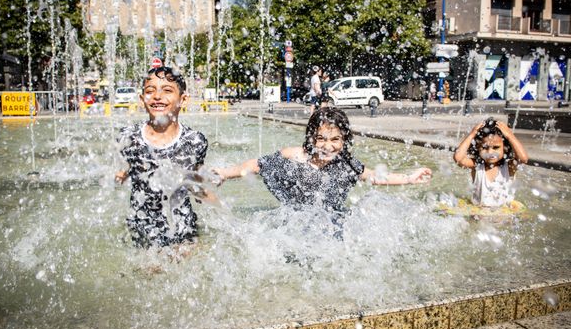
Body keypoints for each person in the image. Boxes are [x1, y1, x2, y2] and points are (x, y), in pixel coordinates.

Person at [213, 107, 432, 222]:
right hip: (295, 223)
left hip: (331, 223)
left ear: (344, 140)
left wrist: (409, 178)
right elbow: (256, 165)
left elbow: (374, 176)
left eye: (335, 139)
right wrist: (224, 173)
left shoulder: (346, 164)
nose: (328, 146)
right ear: (311, 138)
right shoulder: (295, 156)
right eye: (321, 139)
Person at [115, 66, 208, 248]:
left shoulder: (195, 141)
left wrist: (221, 207)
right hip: (143, 227)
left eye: (167, 90)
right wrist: (117, 176)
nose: (157, 96)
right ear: (142, 99)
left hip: (183, 228)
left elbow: (196, 186)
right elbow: (119, 174)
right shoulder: (129, 137)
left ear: (183, 99)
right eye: (150, 91)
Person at [453, 117, 528, 207]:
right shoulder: (477, 166)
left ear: (505, 147)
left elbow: (523, 159)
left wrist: (509, 135)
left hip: (503, 216)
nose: (490, 152)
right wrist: (472, 134)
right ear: (477, 147)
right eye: (484, 147)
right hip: (478, 214)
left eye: (496, 147)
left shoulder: (509, 167)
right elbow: (458, 158)